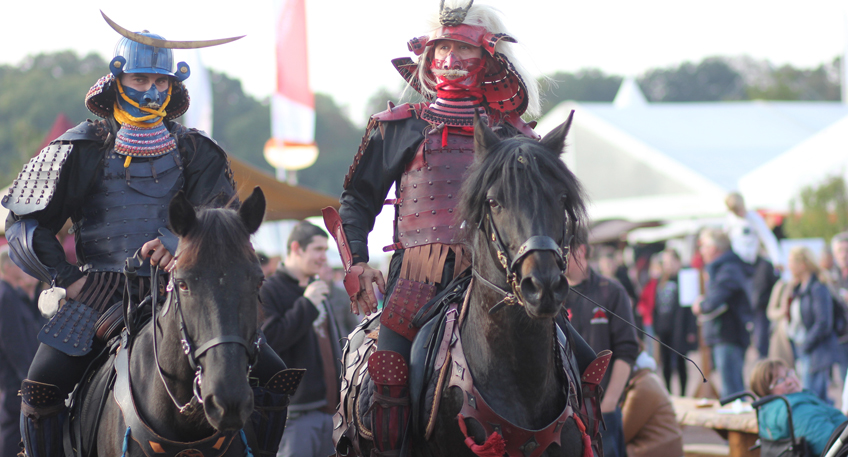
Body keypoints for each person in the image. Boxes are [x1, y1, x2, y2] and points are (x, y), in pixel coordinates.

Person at [2, 22, 290, 457]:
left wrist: (174, 243)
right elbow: (23, 225)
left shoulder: (198, 151)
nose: (151, 89)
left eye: (161, 80)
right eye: (140, 78)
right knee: (40, 389)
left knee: (273, 378)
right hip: (100, 292)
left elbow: (222, 226)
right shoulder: (81, 148)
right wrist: (66, 277)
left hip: (184, 289)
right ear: (117, 80)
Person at [330, 2, 542, 453]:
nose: (449, 58)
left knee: (572, 355)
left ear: (486, 59)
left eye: (461, 49)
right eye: (441, 47)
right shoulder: (399, 127)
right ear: (427, 55)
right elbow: (358, 200)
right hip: (417, 277)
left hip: (500, 276)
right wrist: (358, 263)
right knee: (389, 374)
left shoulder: (512, 135)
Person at [259, 221, 341, 457]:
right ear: (296, 248)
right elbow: (270, 342)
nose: (324, 257)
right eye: (318, 249)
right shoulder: (268, 290)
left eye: (325, 250)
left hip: (331, 412)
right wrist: (306, 304)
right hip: (295, 415)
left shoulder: (315, 287)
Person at [562, 239, 639, 457]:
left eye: (561, 249)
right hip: (562, 414)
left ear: (581, 250)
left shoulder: (611, 290)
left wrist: (609, 403)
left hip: (602, 410)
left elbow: (627, 350)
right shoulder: (549, 296)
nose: (555, 255)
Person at [693, 228, 753, 397]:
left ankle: (736, 423)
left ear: (713, 248)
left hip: (728, 335)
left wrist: (701, 305)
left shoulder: (728, 269)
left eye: (703, 246)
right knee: (731, 388)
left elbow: (714, 301)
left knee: (732, 391)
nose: (701, 251)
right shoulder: (726, 268)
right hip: (726, 335)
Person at [751, 359, 846, 456]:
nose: (789, 381)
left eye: (788, 374)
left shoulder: (767, 409)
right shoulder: (798, 409)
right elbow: (830, 446)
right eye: (779, 380)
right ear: (765, 392)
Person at [785, 246, 843, 402]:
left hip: (817, 349)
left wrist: (807, 343)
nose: (789, 266)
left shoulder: (818, 287)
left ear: (803, 264)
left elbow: (824, 322)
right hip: (805, 346)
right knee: (815, 395)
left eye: (792, 262)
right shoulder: (799, 287)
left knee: (814, 396)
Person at [0, 248, 43, 457]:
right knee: (12, 431)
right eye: (18, 263)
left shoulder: (12, 294)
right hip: (14, 379)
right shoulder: (4, 295)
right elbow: (12, 342)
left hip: (16, 377)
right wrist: (28, 378)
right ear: (7, 267)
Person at [621, 349, 684, 457]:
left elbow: (622, 434)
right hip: (666, 447)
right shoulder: (647, 379)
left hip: (654, 450)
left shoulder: (641, 387)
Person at [653, 249, 697, 395]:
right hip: (664, 328)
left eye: (671, 262)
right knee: (665, 363)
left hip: (680, 328)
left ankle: (683, 392)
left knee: (680, 361)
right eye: (665, 263)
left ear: (678, 261)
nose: (668, 265)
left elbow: (690, 307)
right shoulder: (661, 280)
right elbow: (656, 304)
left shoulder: (684, 278)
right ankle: (669, 391)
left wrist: (691, 330)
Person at [636, 254, 662, 356]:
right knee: (650, 341)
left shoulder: (658, 283)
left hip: (656, 318)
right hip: (649, 318)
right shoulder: (650, 283)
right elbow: (644, 300)